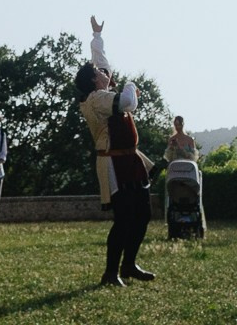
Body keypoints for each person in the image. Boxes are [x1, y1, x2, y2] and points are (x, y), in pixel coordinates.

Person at [77, 18, 155, 287]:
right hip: (114, 165)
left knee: (143, 215)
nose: (103, 72)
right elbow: (128, 101)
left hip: (130, 161)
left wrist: (96, 36)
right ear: (94, 81)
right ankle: (111, 272)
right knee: (123, 220)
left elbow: (101, 63)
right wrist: (132, 83)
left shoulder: (100, 91)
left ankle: (129, 264)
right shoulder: (97, 100)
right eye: (98, 73)